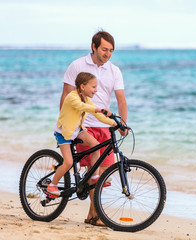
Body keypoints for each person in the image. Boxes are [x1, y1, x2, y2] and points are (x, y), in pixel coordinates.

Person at [60, 30, 128, 227]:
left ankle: (92, 215)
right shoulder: (77, 65)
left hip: (103, 125)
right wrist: (65, 124)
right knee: (93, 169)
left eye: (111, 51)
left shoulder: (114, 70)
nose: (107, 54)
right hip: (83, 125)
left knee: (103, 171)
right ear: (94, 47)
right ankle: (95, 216)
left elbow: (121, 98)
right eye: (104, 49)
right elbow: (66, 95)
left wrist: (122, 122)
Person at [48, 72, 117, 197]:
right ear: (83, 87)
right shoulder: (72, 97)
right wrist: (97, 109)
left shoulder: (88, 101)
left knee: (97, 146)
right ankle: (52, 185)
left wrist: (114, 124)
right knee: (68, 162)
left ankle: (95, 177)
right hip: (64, 133)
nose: (96, 90)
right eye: (94, 87)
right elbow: (80, 106)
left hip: (77, 130)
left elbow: (98, 116)